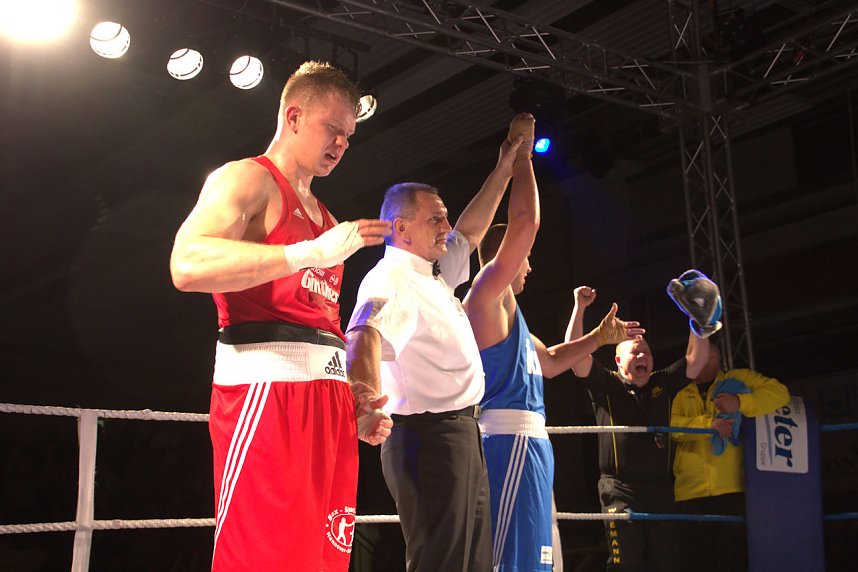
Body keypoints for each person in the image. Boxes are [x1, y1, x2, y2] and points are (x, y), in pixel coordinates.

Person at [169, 61, 393, 572]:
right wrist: (300, 255)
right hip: (265, 398)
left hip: (327, 409)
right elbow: (186, 264)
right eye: (332, 128)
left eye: (349, 135)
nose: (341, 143)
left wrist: (351, 397)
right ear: (293, 117)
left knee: (321, 559)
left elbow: (318, 322)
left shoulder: (329, 221)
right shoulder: (247, 178)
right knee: (266, 559)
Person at [344, 116, 531, 572]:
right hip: (428, 439)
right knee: (443, 563)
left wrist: (504, 168)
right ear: (401, 228)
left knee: (472, 562)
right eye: (435, 218)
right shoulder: (392, 277)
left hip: (459, 433)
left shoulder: (429, 271)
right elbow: (363, 332)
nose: (446, 225)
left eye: (444, 215)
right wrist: (363, 399)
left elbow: (470, 233)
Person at [462, 114, 645, 571]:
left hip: (530, 441)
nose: (531, 269)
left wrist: (599, 338)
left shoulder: (512, 316)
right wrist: (524, 155)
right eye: (525, 261)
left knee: (541, 560)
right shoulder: (486, 296)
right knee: (514, 561)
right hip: (507, 440)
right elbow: (524, 222)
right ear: (508, 259)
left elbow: (548, 362)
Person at [566, 286, 710, 572]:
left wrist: (699, 323)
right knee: (626, 564)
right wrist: (579, 308)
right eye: (635, 351)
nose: (643, 355)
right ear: (619, 361)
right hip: (620, 490)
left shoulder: (663, 383)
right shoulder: (607, 384)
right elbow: (573, 357)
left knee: (666, 563)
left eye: (646, 351)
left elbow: (696, 361)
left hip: (660, 490)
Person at [670, 343, 789, 572]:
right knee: (696, 560)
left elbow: (779, 393)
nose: (699, 361)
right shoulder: (678, 388)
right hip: (688, 491)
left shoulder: (738, 378)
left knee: (732, 558)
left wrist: (740, 403)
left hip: (732, 487)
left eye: (705, 357)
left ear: (718, 360)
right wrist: (708, 426)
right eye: (694, 356)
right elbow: (670, 427)